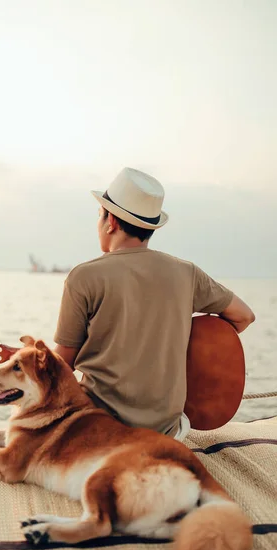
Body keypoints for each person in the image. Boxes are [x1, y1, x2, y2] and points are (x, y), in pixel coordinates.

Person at [13, 167, 255, 441]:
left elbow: (63, 369)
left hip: (100, 431)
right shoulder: (187, 273)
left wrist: (21, 362)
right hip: (168, 434)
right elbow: (244, 316)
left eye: (99, 215)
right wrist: (186, 348)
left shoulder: (84, 276)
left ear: (111, 222)